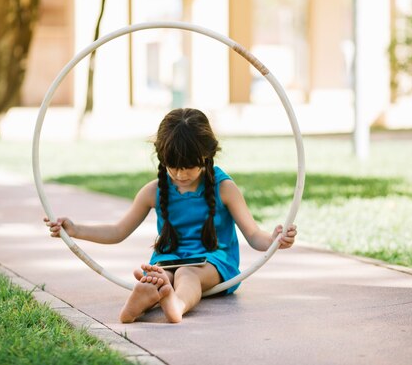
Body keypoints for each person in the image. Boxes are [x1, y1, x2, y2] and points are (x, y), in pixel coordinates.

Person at [45, 108, 297, 324]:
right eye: (172, 166)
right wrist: (75, 230)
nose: (179, 174)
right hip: (168, 259)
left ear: (207, 157)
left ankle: (176, 304)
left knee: (187, 274)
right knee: (159, 275)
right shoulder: (154, 190)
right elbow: (117, 231)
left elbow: (253, 235)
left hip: (214, 262)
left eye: (188, 166)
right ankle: (147, 296)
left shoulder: (224, 188)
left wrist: (275, 239)